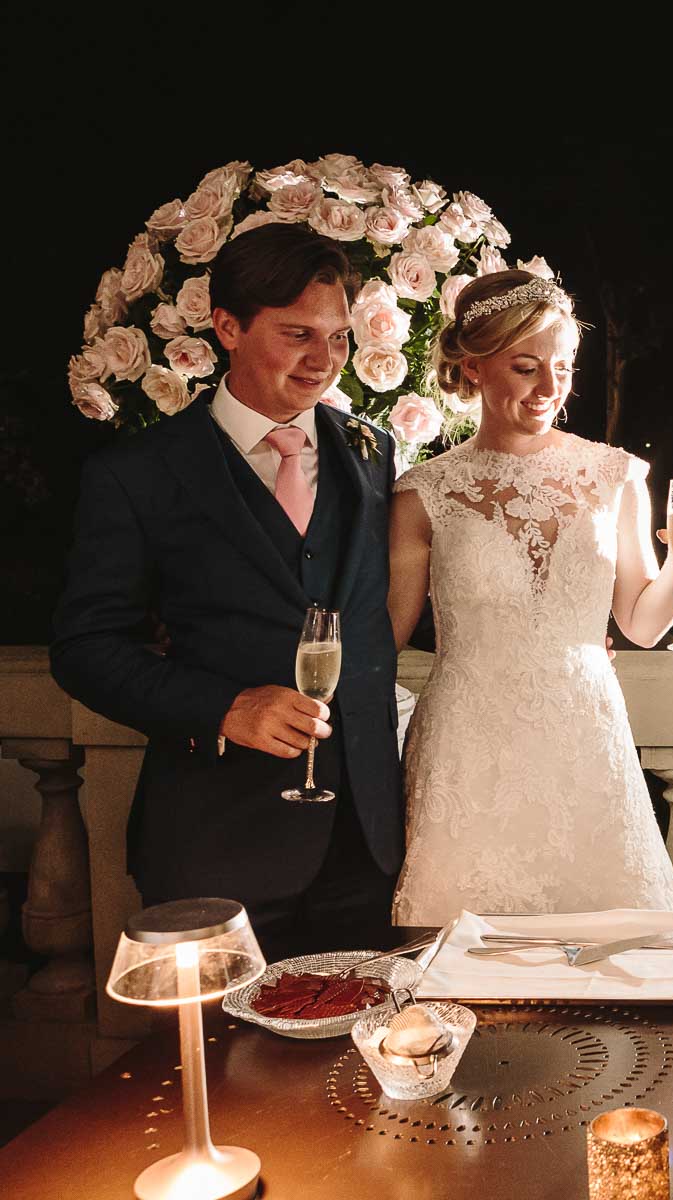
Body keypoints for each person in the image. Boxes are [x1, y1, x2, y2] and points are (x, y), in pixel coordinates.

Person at [51, 224, 403, 962]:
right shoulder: (138, 473)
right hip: (215, 843)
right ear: (228, 327)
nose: (324, 360)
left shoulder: (372, 451)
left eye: (339, 337)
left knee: (366, 1039)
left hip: (366, 846)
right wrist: (224, 708)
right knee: (222, 1041)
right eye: (298, 335)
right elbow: (85, 648)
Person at [387, 271, 673, 923]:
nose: (549, 387)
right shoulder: (424, 492)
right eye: (526, 367)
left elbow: (641, 624)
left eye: (563, 367)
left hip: (586, 737)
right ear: (473, 365)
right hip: (467, 748)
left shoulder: (614, 475)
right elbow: (385, 638)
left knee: (608, 939)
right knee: (459, 938)